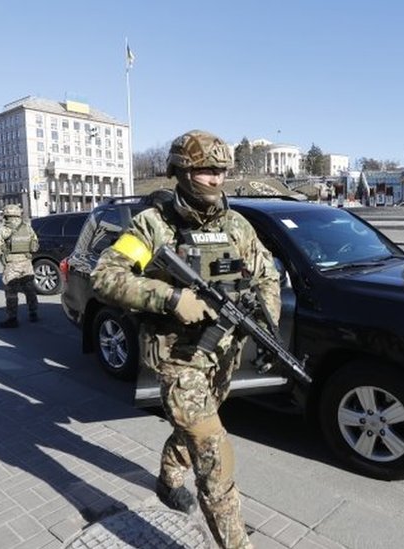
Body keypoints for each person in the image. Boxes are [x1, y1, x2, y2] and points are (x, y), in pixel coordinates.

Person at [91, 130, 281, 548]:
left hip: (222, 356)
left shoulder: (237, 226)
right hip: (178, 359)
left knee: (191, 429)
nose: (216, 180)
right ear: (181, 171)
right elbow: (105, 276)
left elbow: (266, 276)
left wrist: (266, 324)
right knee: (214, 457)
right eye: (205, 171)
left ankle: (167, 480)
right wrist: (172, 298)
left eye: (221, 171)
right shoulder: (152, 226)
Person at [0, 203, 39, 328]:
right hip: (27, 263)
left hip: (12, 265)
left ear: (6, 216)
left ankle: (12, 318)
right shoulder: (27, 228)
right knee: (30, 289)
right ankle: (33, 313)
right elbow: (35, 246)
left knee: (11, 292)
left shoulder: (4, 230)